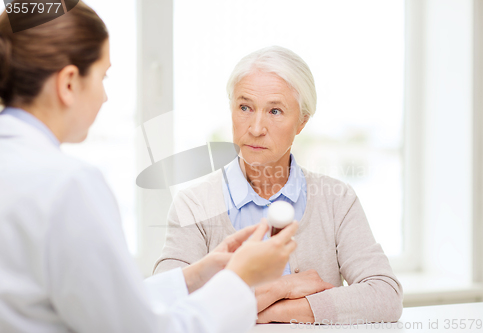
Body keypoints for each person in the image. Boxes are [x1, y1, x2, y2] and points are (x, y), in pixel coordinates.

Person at [0, 2, 298, 333]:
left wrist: (194, 277)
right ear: (69, 83)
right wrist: (240, 280)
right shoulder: (69, 185)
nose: (104, 96)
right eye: (103, 75)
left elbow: (102, 305)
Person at [154, 46, 404, 325]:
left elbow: (385, 295)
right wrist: (284, 288)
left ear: (301, 122)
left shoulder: (337, 200)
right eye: (245, 107)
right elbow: (162, 307)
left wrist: (270, 309)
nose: (256, 127)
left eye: (275, 111)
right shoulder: (194, 204)